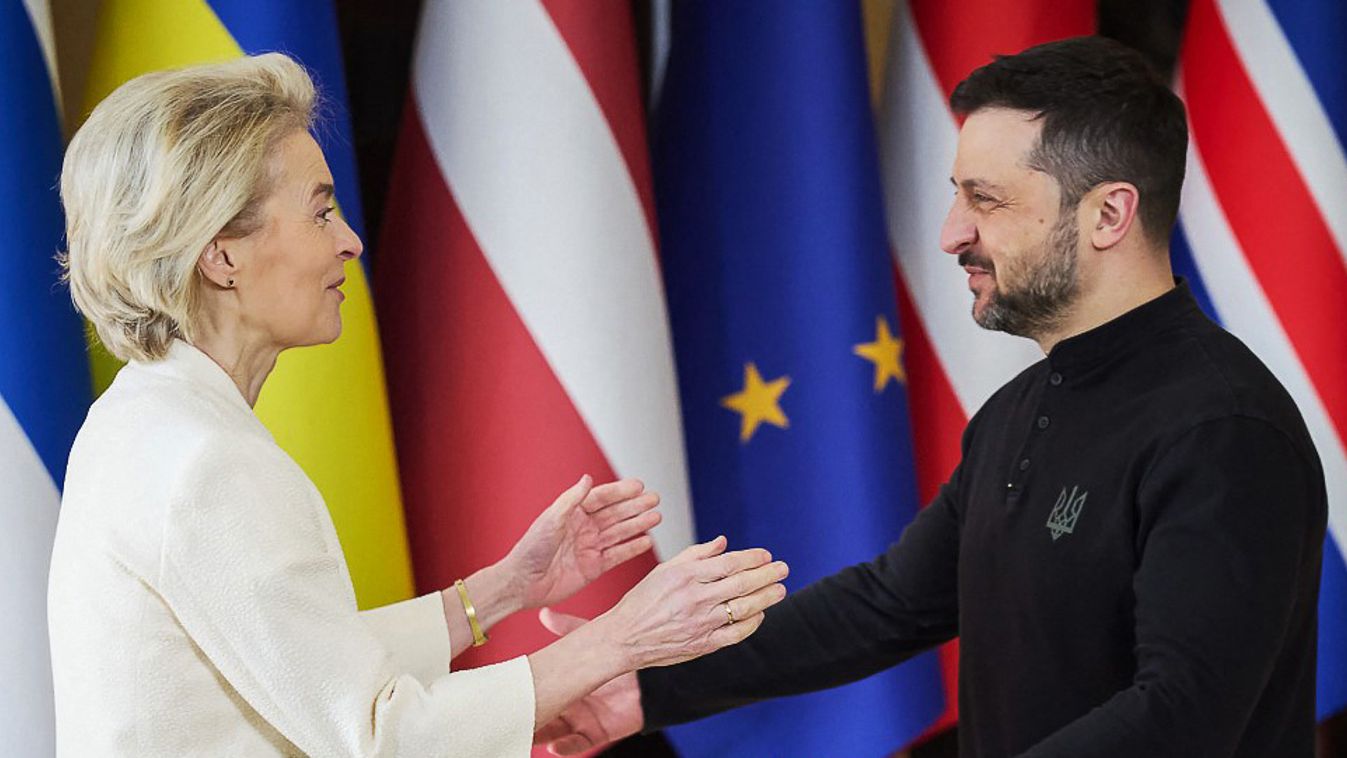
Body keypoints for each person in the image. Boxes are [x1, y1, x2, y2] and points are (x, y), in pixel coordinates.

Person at [535, 36, 1327, 757]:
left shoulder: (1223, 428)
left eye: (985, 200)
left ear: (1108, 214)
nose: (950, 233)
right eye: (957, 196)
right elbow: (887, 603)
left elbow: (1183, 716)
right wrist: (644, 686)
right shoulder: (1015, 412)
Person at [47, 53, 790, 758]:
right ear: (221, 254)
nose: (350, 241)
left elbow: (297, 667)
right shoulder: (206, 462)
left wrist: (504, 590)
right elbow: (379, 735)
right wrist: (619, 640)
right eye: (319, 212)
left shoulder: (144, 421)